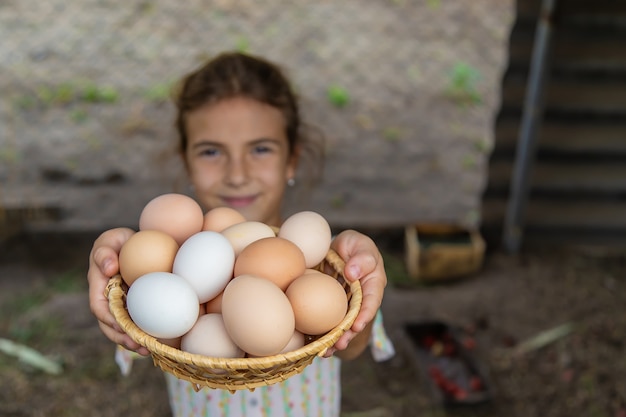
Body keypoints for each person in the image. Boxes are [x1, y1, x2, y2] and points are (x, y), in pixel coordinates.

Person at [88, 51, 395, 417]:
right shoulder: (175, 261)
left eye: (261, 149)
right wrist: (124, 264)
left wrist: (355, 296)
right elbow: (149, 316)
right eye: (211, 151)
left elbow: (348, 341)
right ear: (186, 161)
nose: (237, 173)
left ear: (291, 159)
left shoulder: (321, 265)